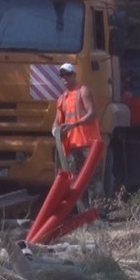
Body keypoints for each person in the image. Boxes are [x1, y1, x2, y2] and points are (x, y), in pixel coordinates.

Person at [53, 63, 104, 204]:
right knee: (75, 182)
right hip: (73, 147)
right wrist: (55, 132)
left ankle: (98, 213)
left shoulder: (83, 91)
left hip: (89, 145)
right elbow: (57, 122)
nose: (65, 78)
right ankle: (83, 214)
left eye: (68, 74)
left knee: (93, 180)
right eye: (62, 75)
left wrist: (74, 124)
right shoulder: (62, 99)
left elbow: (92, 114)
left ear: (74, 75)